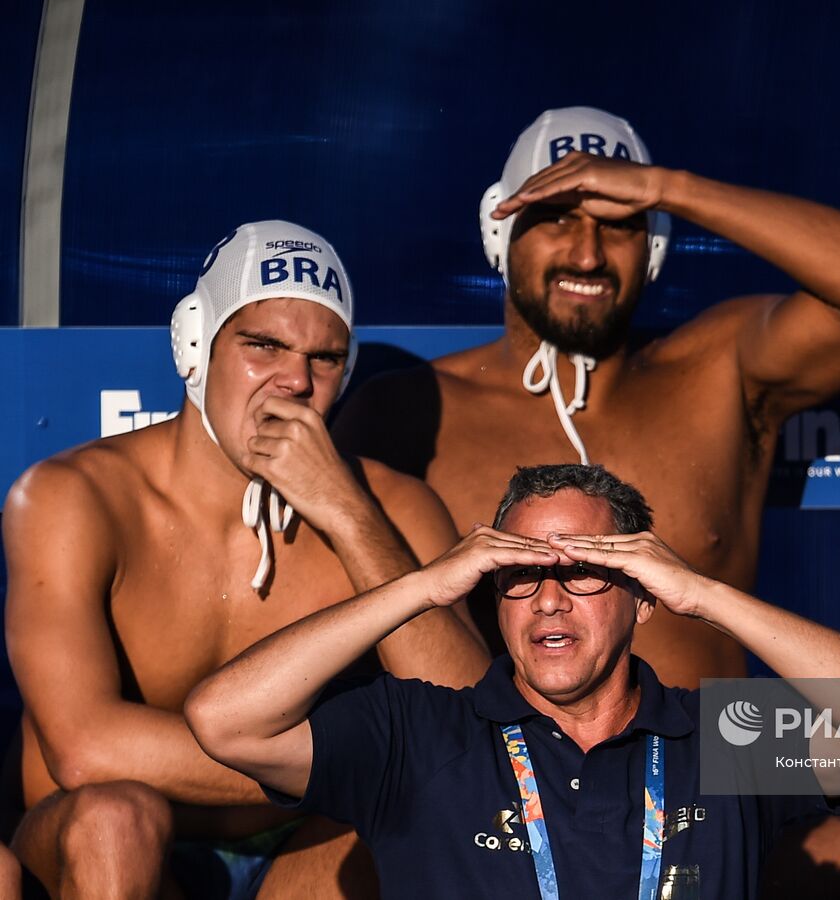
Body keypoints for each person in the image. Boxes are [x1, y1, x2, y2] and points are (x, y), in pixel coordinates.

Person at [333, 106, 840, 688]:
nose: (588, 254)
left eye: (621, 225)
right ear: (501, 231)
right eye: (558, 218)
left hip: (716, 768)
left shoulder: (718, 372)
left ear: (655, 249)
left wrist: (666, 189)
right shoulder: (408, 414)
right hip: (511, 783)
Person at [3, 221, 489, 898]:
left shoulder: (394, 509)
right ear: (195, 345)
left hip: (298, 852)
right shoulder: (73, 496)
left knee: (412, 820)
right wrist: (355, 766)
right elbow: (85, 748)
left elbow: (469, 735)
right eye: (264, 346)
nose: (294, 380)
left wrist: (347, 515)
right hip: (110, 847)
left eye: (325, 359)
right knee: (116, 819)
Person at [185, 463, 840, 899]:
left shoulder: (718, 740)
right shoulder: (420, 734)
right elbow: (225, 718)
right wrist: (423, 588)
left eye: (582, 575)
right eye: (520, 574)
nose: (547, 598)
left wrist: (703, 594)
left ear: (642, 595)